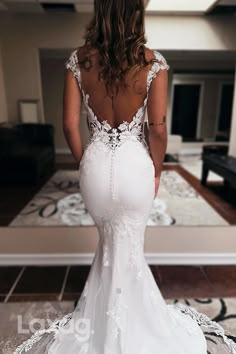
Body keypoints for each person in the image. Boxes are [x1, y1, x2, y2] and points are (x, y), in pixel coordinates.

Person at [13, 0, 236, 353]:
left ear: (101, 12)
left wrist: (86, 160)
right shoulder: (153, 63)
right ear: (137, 13)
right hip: (135, 168)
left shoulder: (79, 61)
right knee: (128, 248)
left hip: (97, 167)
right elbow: (158, 130)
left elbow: (70, 125)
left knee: (111, 246)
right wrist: (157, 169)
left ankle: (104, 324)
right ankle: (132, 329)